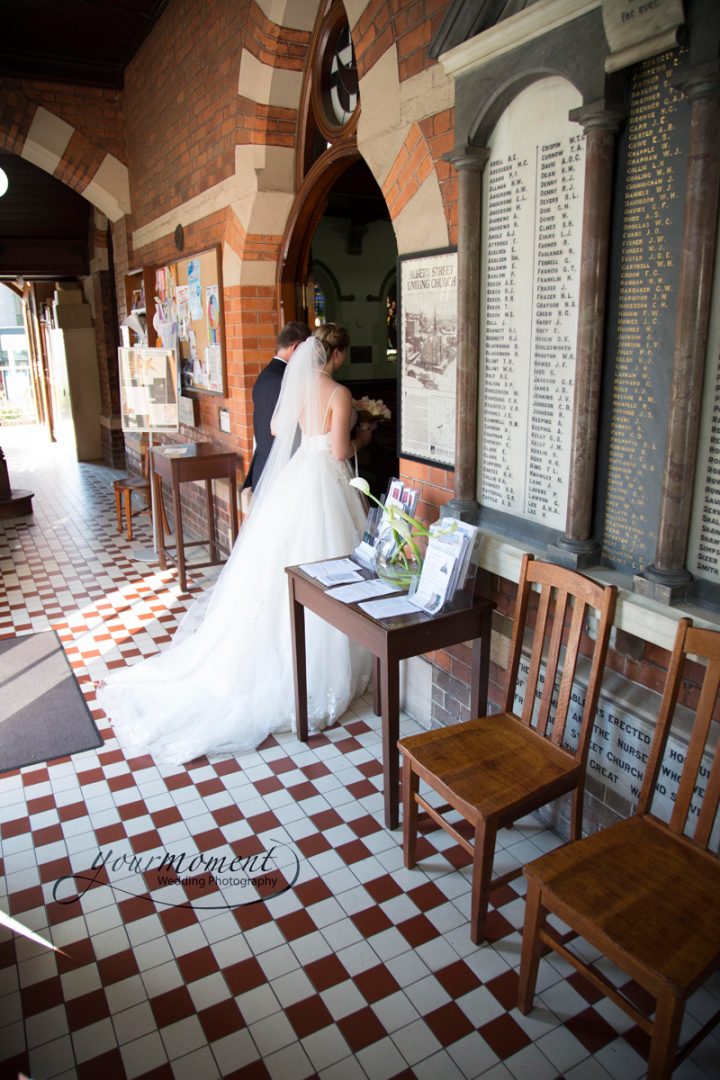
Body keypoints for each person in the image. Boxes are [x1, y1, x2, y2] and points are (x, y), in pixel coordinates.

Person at [97, 324, 374, 765]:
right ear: (337, 356)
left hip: (297, 478)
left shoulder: (297, 386)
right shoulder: (338, 394)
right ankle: (325, 664)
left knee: (283, 567)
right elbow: (340, 451)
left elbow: (276, 426)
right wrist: (363, 435)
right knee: (332, 568)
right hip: (325, 480)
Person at [242, 321, 310, 495]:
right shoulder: (288, 382)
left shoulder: (263, 376)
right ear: (296, 348)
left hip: (262, 467)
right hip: (281, 471)